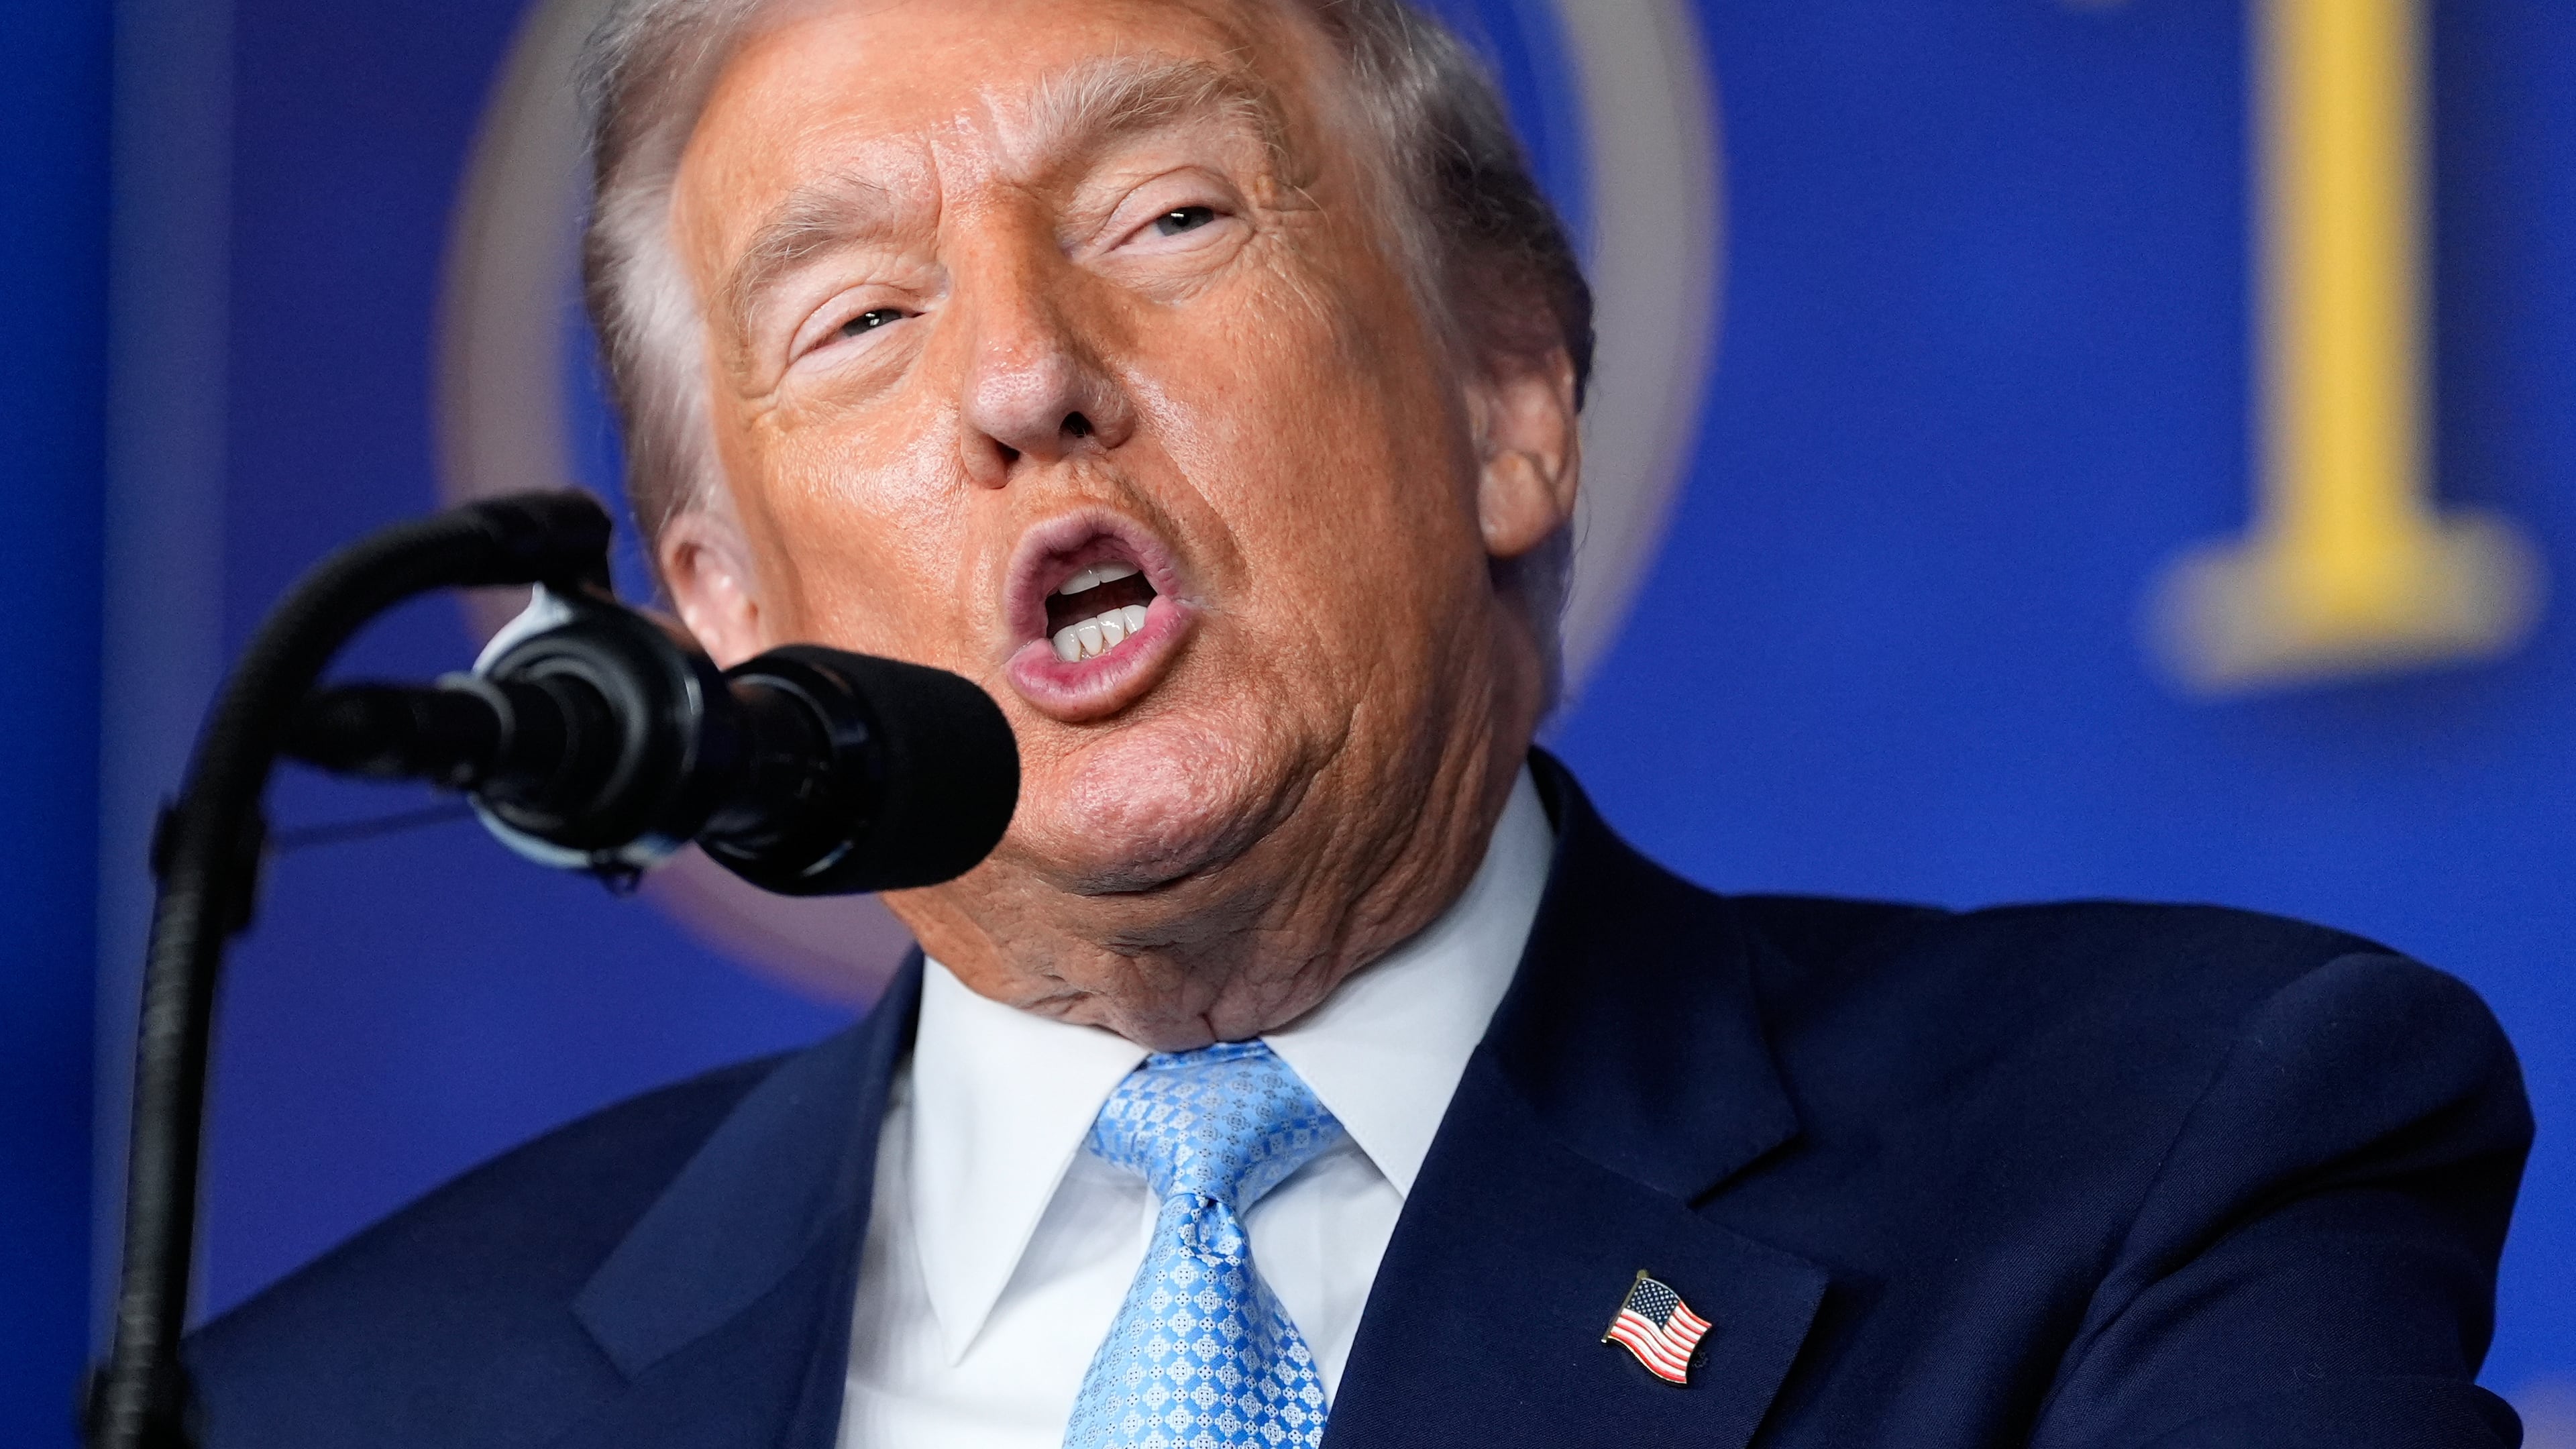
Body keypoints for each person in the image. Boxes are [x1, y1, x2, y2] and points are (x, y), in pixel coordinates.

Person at [187, 0, 2532, 1444]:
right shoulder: (331, 1411)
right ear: (720, 612)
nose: (1023, 372)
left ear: (1510, 393)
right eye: (861, 319)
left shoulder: (2161, 1163)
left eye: (1169, 215)